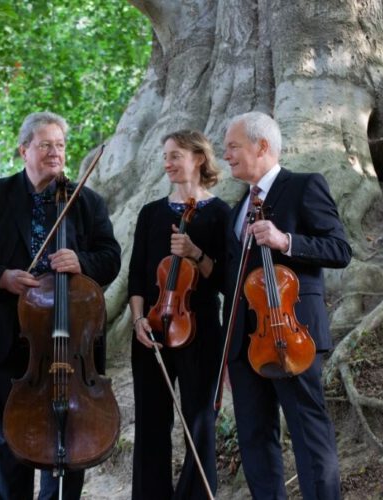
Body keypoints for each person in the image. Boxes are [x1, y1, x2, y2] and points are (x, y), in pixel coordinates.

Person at [0, 111, 121, 500]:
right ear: (24, 150)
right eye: (46, 144)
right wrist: (2, 277)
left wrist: (81, 262)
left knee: (69, 432)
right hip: (9, 333)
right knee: (6, 439)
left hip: (71, 340)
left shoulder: (85, 201)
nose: (55, 152)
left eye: (61, 145)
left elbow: (111, 258)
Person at [221, 111, 352, 499]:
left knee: (309, 434)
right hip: (245, 343)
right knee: (255, 440)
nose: (226, 155)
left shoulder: (303, 186)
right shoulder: (238, 207)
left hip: (292, 333)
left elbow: (339, 249)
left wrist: (285, 241)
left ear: (262, 146)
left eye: (233, 146)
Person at [128, 129, 230, 499]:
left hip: (200, 329)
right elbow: (137, 275)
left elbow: (224, 279)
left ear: (199, 158)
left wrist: (196, 253)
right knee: (151, 421)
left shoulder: (220, 213)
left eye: (175, 155)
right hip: (152, 327)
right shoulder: (151, 213)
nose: (167, 163)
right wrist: (139, 319)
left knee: (200, 420)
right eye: (165, 157)